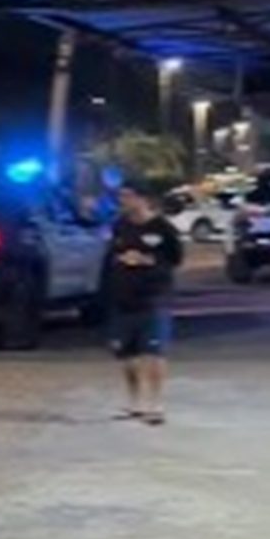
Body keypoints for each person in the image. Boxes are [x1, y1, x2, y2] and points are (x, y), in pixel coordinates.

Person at [106, 182, 183, 426]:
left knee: (154, 352)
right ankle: (133, 402)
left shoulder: (162, 228)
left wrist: (148, 260)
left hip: (153, 298)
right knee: (127, 354)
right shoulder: (120, 225)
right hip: (123, 297)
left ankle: (156, 404)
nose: (123, 202)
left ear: (143, 199)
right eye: (121, 197)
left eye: (127, 197)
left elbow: (175, 258)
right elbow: (112, 253)